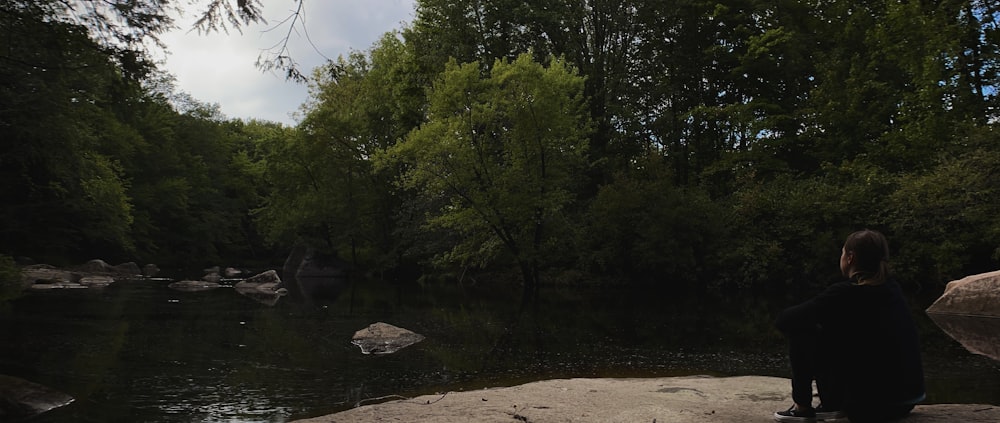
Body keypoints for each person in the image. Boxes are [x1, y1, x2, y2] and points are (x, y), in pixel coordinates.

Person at [774, 229, 925, 422]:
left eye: (843, 252)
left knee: (801, 330)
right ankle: (832, 403)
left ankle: (802, 407)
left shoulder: (845, 293)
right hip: (905, 401)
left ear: (850, 257)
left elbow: (784, 320)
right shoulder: (892, 288)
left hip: (869, 407)